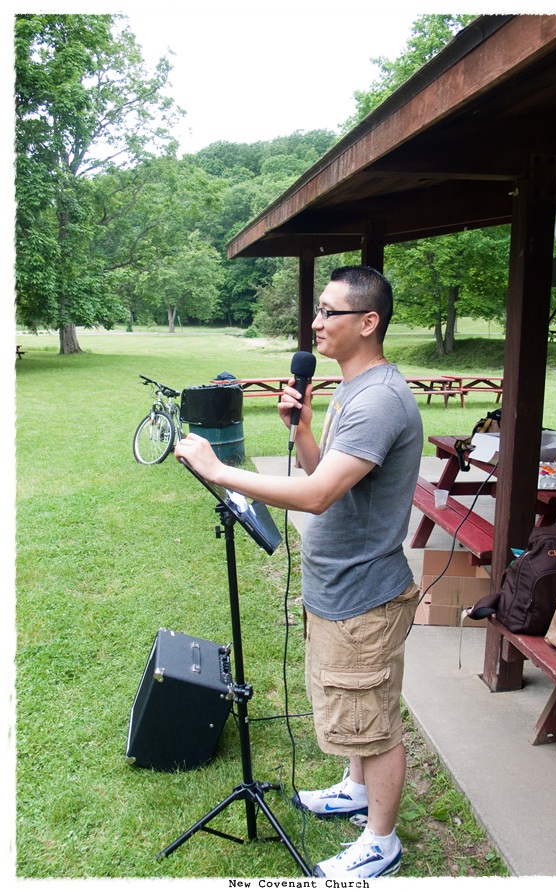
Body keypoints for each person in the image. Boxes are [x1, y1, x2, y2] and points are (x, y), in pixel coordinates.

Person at [174, 265, 423, 879]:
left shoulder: (379, 400)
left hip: (364, 592)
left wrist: (218, 470)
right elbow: (325, 478)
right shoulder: (353, 389)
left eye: (329, 312)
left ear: (368, 322)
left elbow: (313, 498)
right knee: (351, 705)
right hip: (337, 584)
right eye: (318, 311)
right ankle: (356, 788)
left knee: (373, 720)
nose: (315, 323)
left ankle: (381, 842)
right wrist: (305, 431)